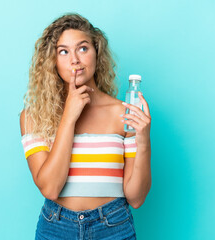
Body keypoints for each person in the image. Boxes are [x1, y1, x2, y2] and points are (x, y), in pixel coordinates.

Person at [19, 13, 152, 240]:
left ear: (96, 53)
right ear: (52, 60)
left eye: (82, 48)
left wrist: (144, 139)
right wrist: (69, 117)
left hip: (113, 227)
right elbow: (50, 189)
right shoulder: (34, 116)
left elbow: (136, 198)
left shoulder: (124, 113)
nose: (75, 60)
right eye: (63, 51)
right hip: (56, 228)